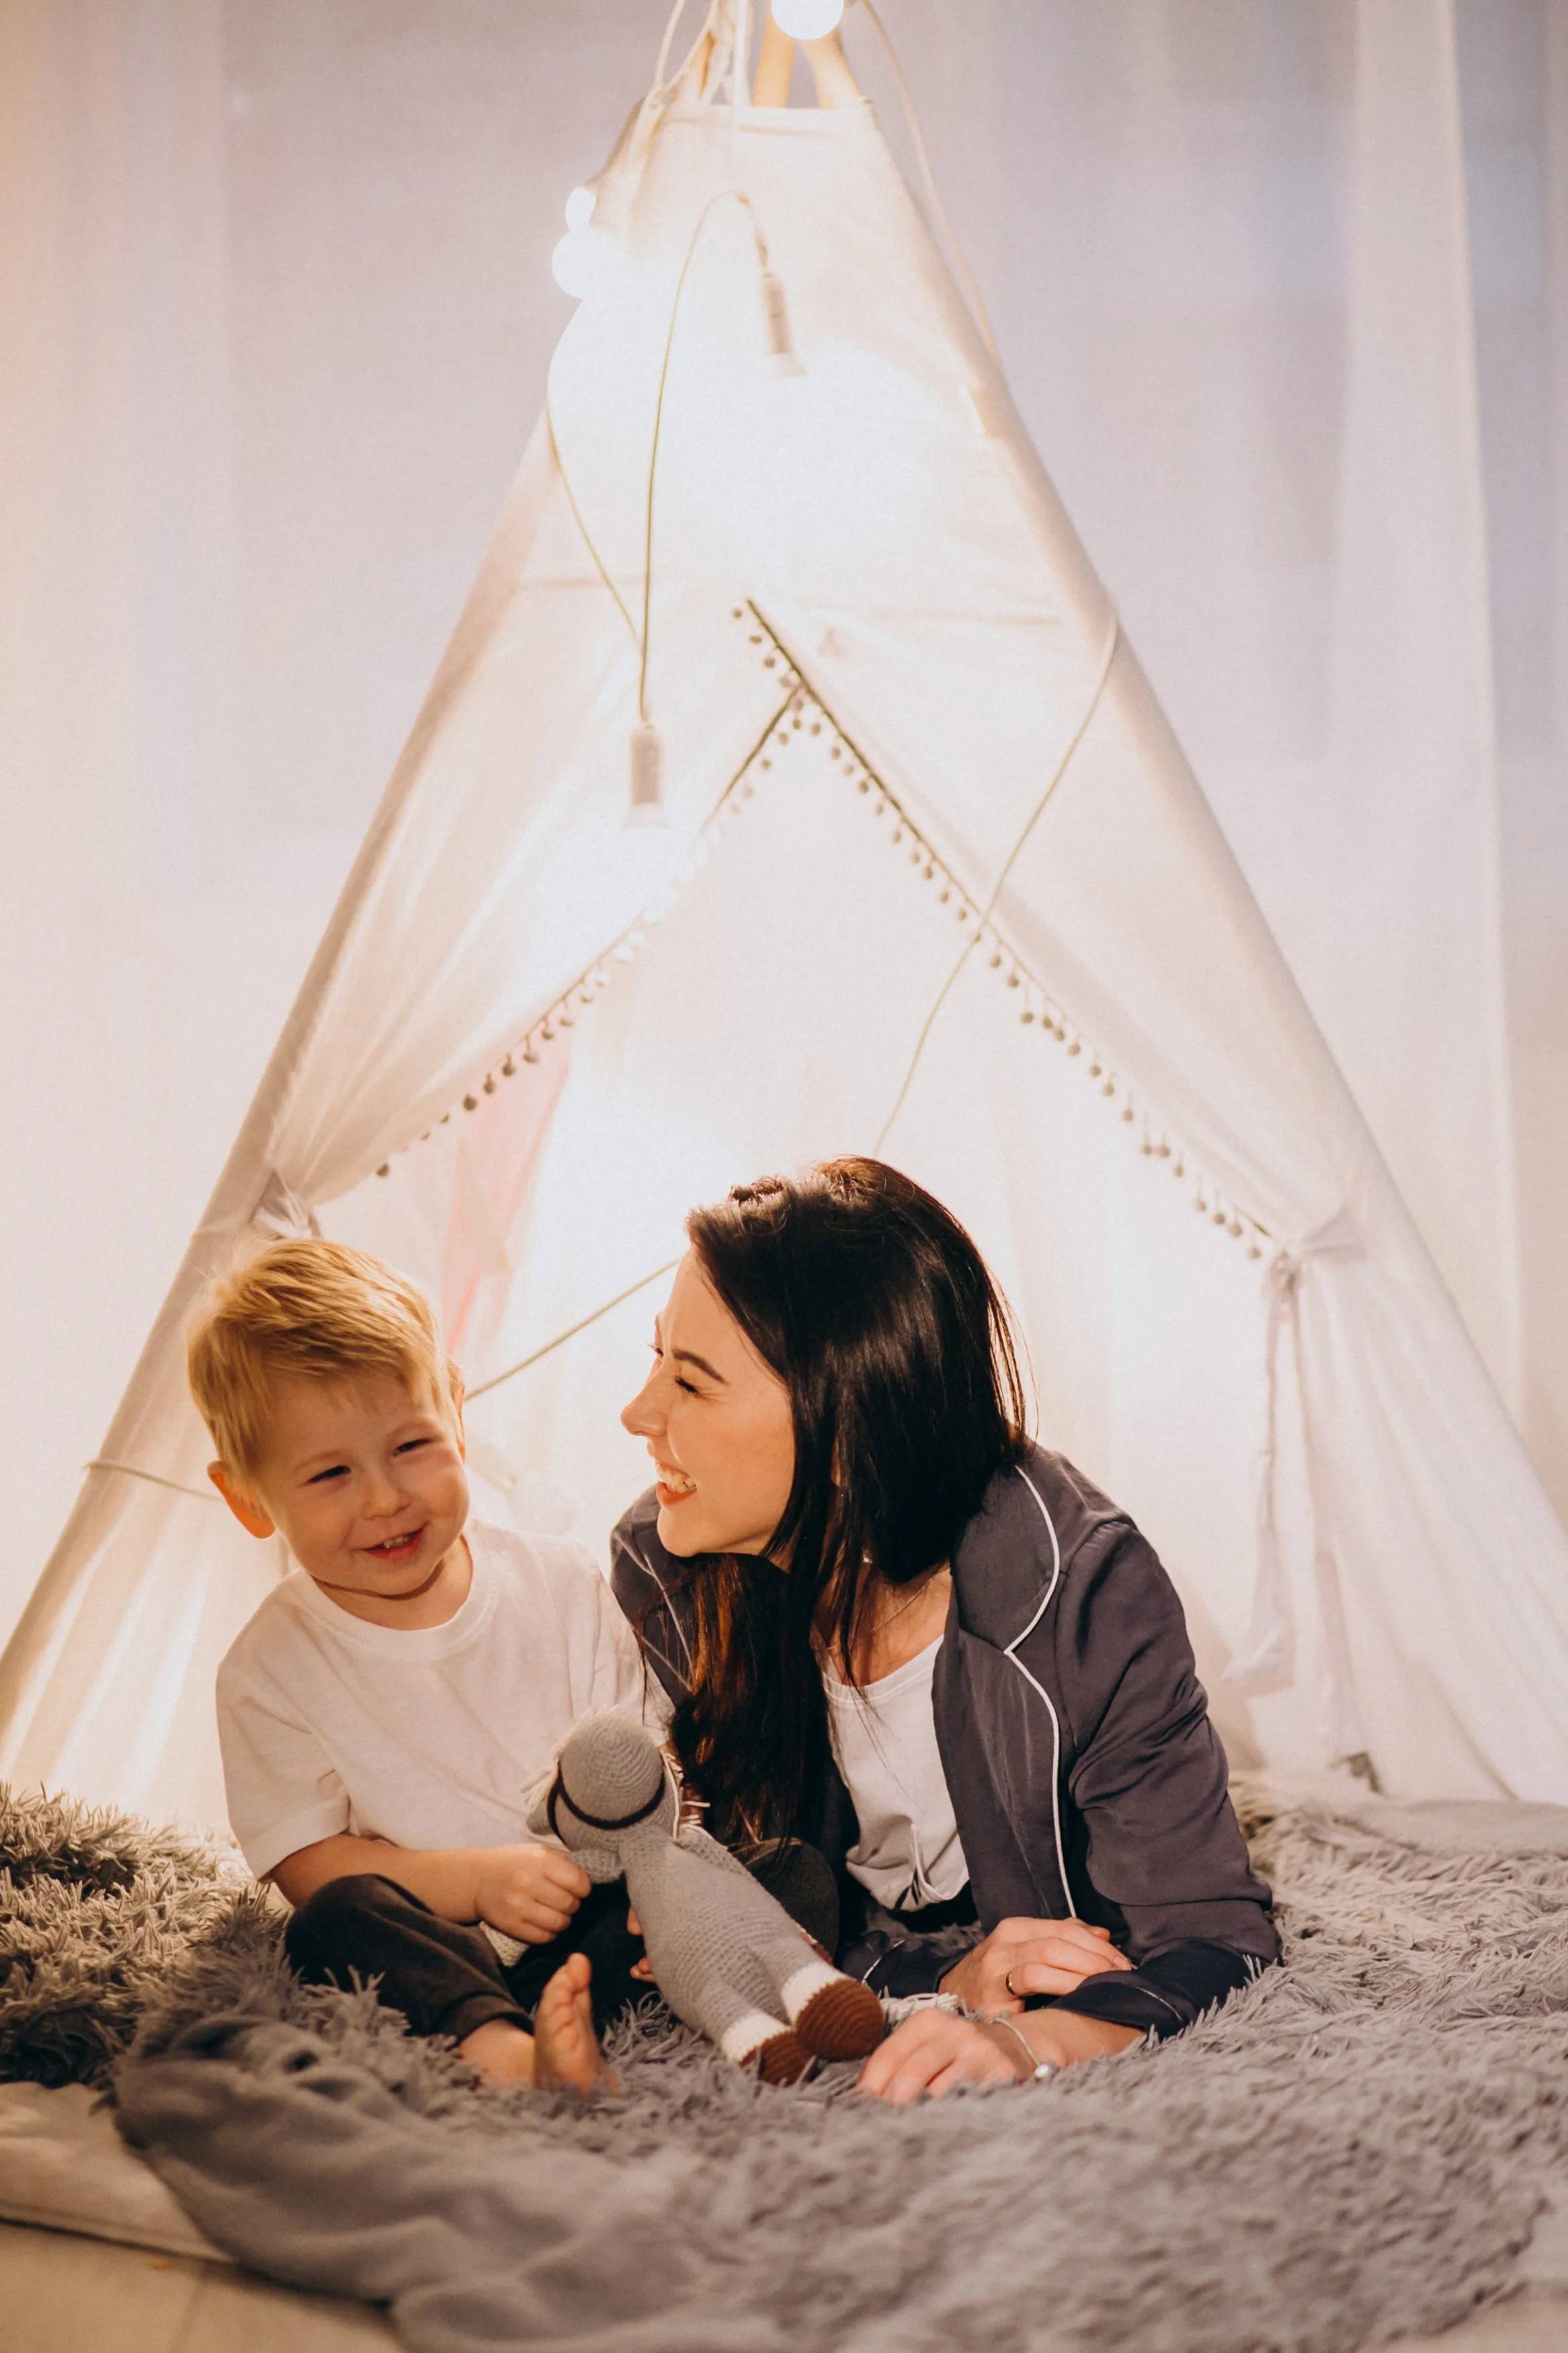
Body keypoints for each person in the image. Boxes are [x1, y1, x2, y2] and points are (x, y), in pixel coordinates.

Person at [613, 1157, 1279, 2104]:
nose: (637, 1414)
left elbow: (1211, 1931)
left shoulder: (1086, 1593)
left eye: (691, 1383)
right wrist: (935, 1985)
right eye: (654, 1361)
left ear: (847, 1437)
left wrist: (1031, 2043)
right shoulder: (663, 1573)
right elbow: (735, 1921)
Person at [192, 1236, 649, 2093]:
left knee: (765, 1865)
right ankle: (505, 2051)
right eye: (330, 1472)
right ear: (247, 1498)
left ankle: (675, 1988)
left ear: (459, 1414)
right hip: (445, 1938)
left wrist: (634, 1876)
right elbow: (307, 1860)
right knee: (334, 1919)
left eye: (410, 1445)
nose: (385, 1498)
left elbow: (637, 1759)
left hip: (591, 1908)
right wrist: (471, 1880)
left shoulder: (558, 1580)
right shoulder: (270, 1667)